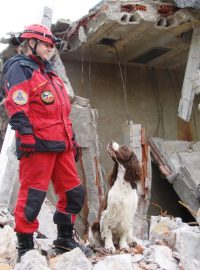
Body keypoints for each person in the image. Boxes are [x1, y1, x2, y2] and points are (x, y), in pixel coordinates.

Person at [3, 24, 92, 261]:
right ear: (31, 43)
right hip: (38, 145)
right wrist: (26, 136)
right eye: (46, 45)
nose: (51, 49)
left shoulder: (51, 74)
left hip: (61, 146)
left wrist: (71, 140)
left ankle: (64, 240)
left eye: (53, 46)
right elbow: (16, 105)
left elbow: (61, 112)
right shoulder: (20, 68)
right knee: (32, 197)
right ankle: (25, 248)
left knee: (74, 193)